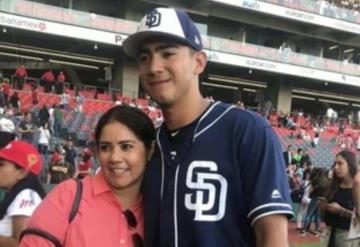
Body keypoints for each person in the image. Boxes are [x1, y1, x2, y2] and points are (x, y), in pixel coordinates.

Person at [122, 7, 294, 247]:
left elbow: (272, 238)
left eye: (168, 53)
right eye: (144, 57)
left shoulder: (246, 131)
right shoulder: (150, 147)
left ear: (199, 62)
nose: (153, 67)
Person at [19, 105, 155, 246]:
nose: (115, 157)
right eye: (105, 147)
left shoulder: (163, 208)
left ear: (150, 150)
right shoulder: (68, 195)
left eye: (126, 146)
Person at [0, 140, 45, 246]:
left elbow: (22, 243)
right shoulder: (16, 194)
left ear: (22, 173)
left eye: (1, 164)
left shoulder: (27, 195)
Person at [319, 151, 358, 246]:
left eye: (340, 163)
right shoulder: (331, 187)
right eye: (335, 163)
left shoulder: (357, 189)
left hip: (348, 238)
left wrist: (342, 211)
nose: (336, 167)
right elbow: (322, 218)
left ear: (350, 165)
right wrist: (322, 208)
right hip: (328, 235)